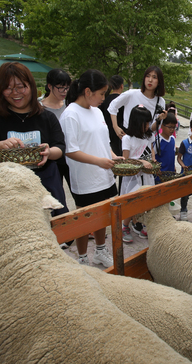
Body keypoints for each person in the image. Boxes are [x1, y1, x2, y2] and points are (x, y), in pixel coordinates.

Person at [0, 62, 68, 219]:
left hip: (45, 186)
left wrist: (49, 151)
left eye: (21, 86)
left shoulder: (47, 117)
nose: (15, 93)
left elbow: (59, 147)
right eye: (8, 88)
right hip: (9, 191)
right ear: (0, 90)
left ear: (31, 87)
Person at [59, 69, 116, 267]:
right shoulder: (70, 115)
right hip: (85, 178)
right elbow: (70, 151)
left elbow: (103, 141)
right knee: (84, 219)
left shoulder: (98, 111)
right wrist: (99, 161)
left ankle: (100, 250)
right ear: (88, 91)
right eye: (101, 94)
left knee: (102, 215)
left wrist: (112, 156)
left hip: (105, 176)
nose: (103, 98)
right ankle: (82, 257)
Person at [121, 105, 157, 240]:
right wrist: (141, 162)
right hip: (133, 177)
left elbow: (151, 149)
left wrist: (153, 160)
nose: (148, 125)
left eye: (149, 122)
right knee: (131, 201)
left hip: (147, 175)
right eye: (146, 123)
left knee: (144, 200)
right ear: (137, 122)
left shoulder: (148, 136)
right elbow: (126, 160)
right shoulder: (127, 139)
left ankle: (139, 223)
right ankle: (125, 225)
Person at [108, 66, 167, 140]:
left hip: (145, 141)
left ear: (159, 82)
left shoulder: (160, 101)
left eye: (154, 77)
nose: (150, 80)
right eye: (148, 76)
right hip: (128, 137)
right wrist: (115, 127)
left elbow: (152, 128)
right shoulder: (131, 94)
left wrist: (159, 119)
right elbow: (113, 106)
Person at [40, 69, 73, 189]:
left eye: (67, 88)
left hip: (70, 156)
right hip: (51, 158)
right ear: (50, 86)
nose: (64, 92)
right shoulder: (39, 108)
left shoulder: (69, 105)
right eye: (61, 88)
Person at [99, 75, 125, 157]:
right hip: (122, 134)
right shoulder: (123, 101)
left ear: (111, 86)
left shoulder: (104, 101)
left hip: (108, 134)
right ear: (122, 86)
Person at [153, 112, 178, 183]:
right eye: (169, 127)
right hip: (160, 177)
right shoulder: (158, 140)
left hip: (170, 175)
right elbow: (153, 158)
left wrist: (174, 167)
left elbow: (171, 155)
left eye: (174, 127)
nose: (172, 130)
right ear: (162, 126)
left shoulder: (172, 139)